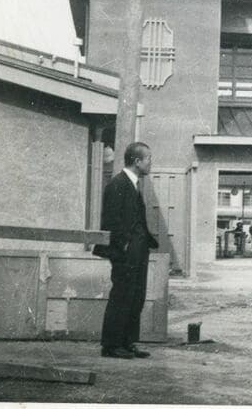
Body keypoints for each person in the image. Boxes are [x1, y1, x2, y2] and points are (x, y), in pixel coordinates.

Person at [93, 142, 159, 359]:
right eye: (148, 158)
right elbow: (111, 220)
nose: (151, 162)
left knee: (136, 295)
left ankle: (127, 342)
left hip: (138, 250)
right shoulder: (118, 184)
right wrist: (125, 246)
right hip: (125, 252)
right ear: (137, 161)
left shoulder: (134, 184)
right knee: (122, 295)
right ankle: (111, 345)